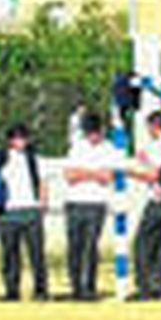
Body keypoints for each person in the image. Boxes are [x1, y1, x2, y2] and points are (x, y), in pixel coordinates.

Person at [62, 112, 122, 300]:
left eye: (96, 133)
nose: (93, 137)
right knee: (74, 247)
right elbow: (70, 176)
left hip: (97, 203)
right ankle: (75, 287)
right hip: (74, 202)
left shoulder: (110, 149)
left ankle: (89, 286)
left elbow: (109, 177)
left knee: (90, 246)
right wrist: (95, 173)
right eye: (90, 133)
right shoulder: (77, 147)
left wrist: (84, 173)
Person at [0, 123, 49, 302]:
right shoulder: (1, 158)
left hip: (30, 209)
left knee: (37, 254)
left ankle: (40, 289)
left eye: (23, 137)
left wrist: (42, 204)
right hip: (8, 211)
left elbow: (42, 181)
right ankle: (11, 289)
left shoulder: (34, 158)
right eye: (16, 138)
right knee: (10, 254)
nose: (20, 141)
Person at [131, 112, 161, 299]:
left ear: (154, 126)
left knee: (143, 242)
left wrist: (130, 172)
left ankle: (145, 287)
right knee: (160, 242)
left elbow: (156, 175)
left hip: (159, 198)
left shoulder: (160, 145)